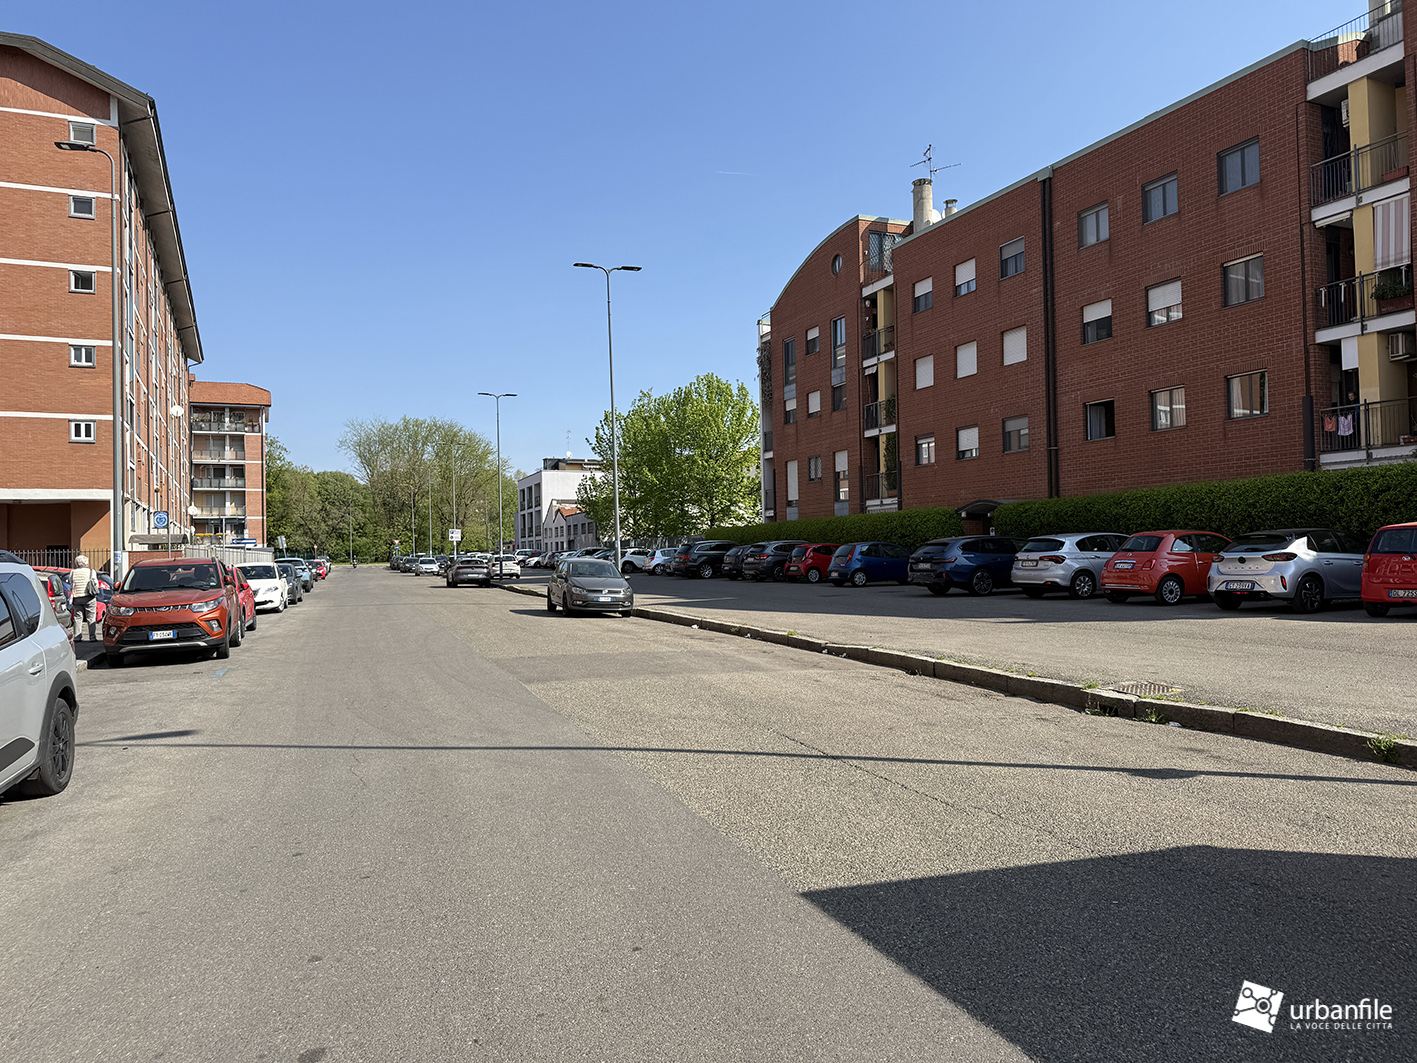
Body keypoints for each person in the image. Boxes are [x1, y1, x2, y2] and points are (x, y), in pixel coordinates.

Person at [69, 554, 99, 641]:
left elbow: (71, 583)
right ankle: (92, 637)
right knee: (91, 617)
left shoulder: (73, 572)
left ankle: (77, 636)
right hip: (89, 597)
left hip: (77, 596)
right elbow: (95, 583)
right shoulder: (91, 572)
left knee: (77, 617)